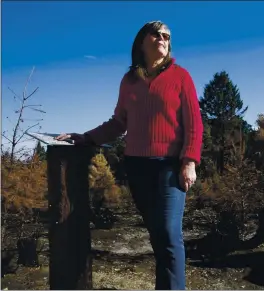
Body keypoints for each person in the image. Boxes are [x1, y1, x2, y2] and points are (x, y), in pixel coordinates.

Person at [56, 20, 203, 290]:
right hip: (137, 168)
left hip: (169, 168)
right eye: (156, 34)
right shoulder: (130, 81)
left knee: (170, 235)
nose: (162, 38)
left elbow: (194, 123)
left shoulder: (181, 76)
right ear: (141, 41)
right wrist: (86, 137)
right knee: (158, 237)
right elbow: (118, 122)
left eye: (167, 36)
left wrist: (189, 162)